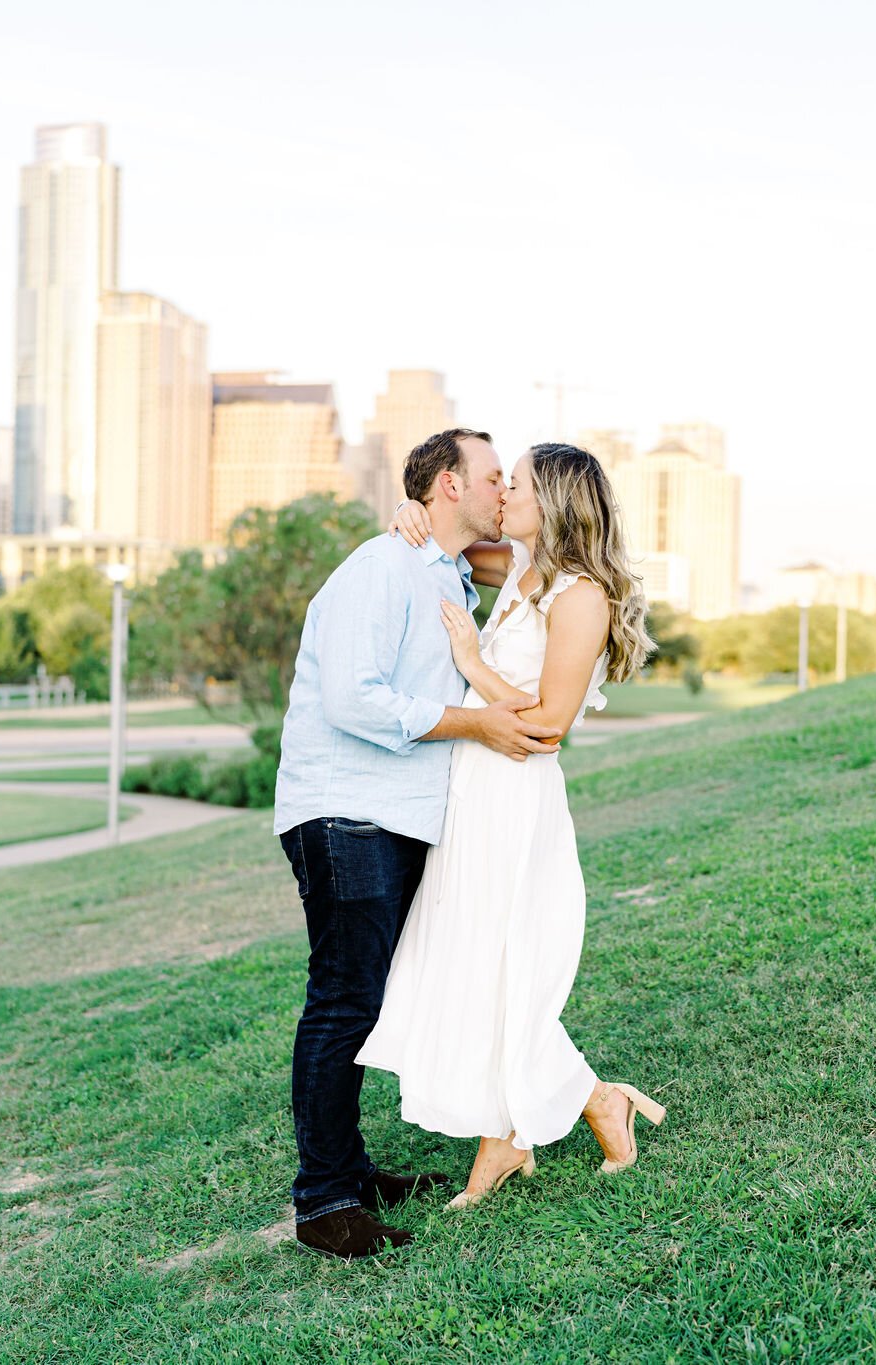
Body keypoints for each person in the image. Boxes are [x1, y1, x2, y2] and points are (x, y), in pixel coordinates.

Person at [274, 428, 564, 1260]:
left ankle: (353, 1171)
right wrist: (476, 721)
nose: (502, 489)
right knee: (343, 1000)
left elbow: (548, 563)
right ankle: (325, 1201)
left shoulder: (443, 569)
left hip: (396, 817)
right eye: (491, 477)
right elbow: (353, 699)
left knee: (366, 998)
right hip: (345, 813)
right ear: (447, 485)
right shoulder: (383, 566)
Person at [356, 442, 665, 1209]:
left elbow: (549, 722)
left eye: (517, 483)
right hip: (473, 788)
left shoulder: (582, 594)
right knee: (468, 963)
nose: (505, 494)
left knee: (500, 965)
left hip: (516, 795)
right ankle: (521, 1128)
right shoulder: (523, 572)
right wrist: (411, 514)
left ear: (553, 500)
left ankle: (584, 1104)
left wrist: (471, 660)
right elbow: (445, 539)